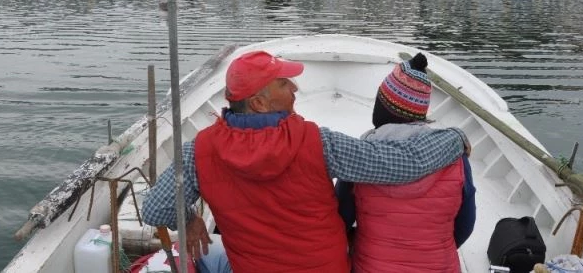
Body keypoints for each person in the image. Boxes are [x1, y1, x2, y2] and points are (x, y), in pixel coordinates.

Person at [141, 50, 469, 273]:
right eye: (284, 84)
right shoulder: (318, 142)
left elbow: (155, 209)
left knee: (202, 256)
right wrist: (455, 138)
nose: (296, 88)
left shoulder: (199, 151)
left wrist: (188, 219)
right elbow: (401, 165)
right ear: (258, 103)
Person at [336, 52, 476, 272]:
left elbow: (341, 218)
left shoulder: (360, 156)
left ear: (384, 107)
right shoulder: (455, 154)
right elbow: (465, 225)